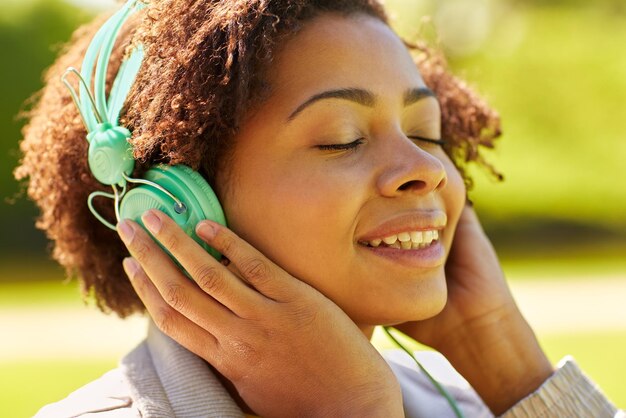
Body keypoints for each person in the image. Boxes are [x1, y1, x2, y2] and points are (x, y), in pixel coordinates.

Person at [15, 0, 622, 417]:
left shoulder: (466, 404)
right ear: (175, 209)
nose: (430, 169)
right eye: (342, 138)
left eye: (427, 133)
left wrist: (507, 361)